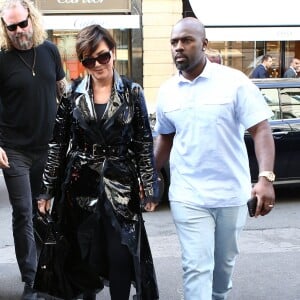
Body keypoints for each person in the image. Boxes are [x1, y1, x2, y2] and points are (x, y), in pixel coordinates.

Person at [154, 17, 275, 300]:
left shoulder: (234, 82)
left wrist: (265, 178)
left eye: (186, 40)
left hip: (231, 194)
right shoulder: (167, 91)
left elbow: (261, 129)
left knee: (222, 271)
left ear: (204, 44)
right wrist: (147, 175)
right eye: (174, 42)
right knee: (196, 268)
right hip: (188, 196)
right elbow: (165, 137)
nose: (178, 48)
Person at [36, 24, 159, 300]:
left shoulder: (132, 92)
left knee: (121, 254)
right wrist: (47, 189)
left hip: (121, 183)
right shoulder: (71, 94)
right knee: (83, 255)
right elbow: (57, 143)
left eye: (103, 56)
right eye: (89, 60)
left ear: (113, 53)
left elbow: (143, 142)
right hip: (80, 182)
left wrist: (149, 185)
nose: (97, 65)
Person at [0, 0, 66, 299]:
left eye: (22, 23)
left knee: (45, 213)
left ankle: (47, 270)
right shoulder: (1, 58)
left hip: (48, 148)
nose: (18, 31)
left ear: (32, 19)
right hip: (14, 150)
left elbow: (63, 94)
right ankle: (32, 279)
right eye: (10, 27)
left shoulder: (50, 51)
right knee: (23, 212)